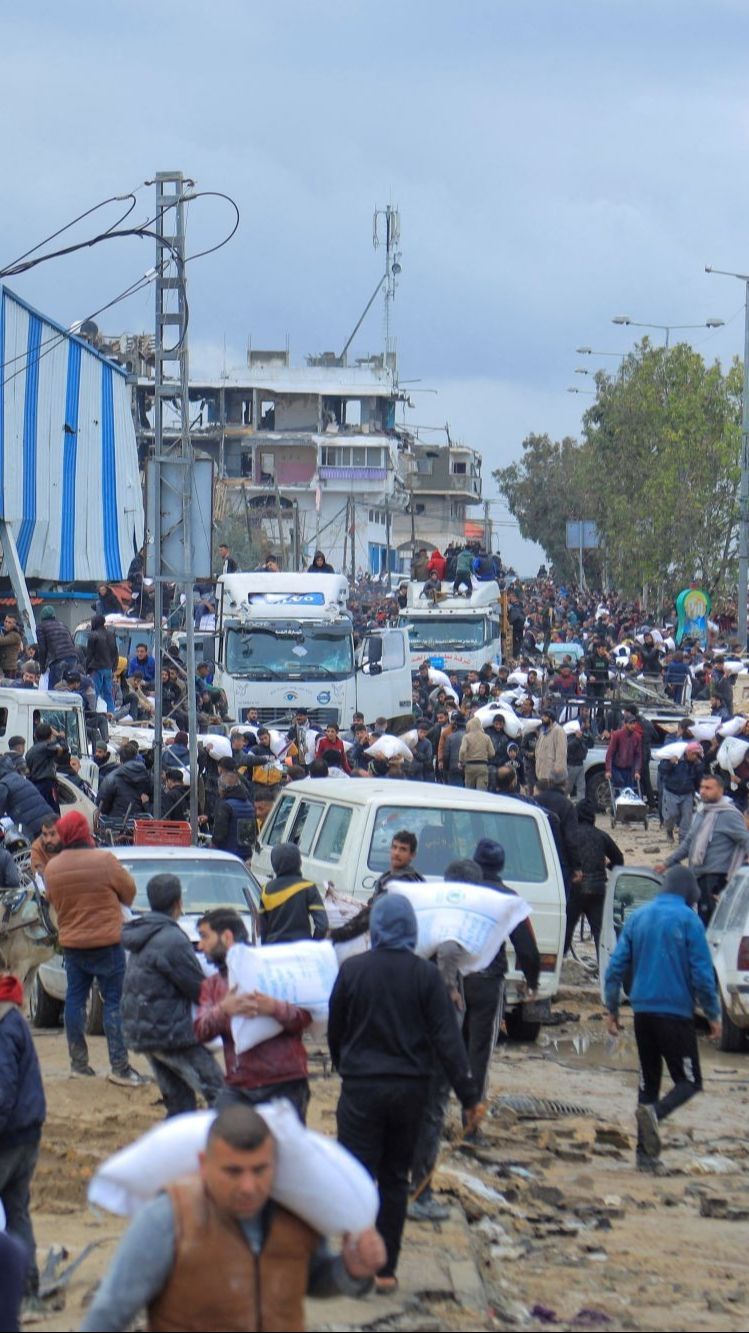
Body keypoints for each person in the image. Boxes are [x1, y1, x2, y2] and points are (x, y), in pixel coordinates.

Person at [80, 1103, 385, 1333]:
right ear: (204, 1164)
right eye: (233, 1171)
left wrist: (350, 1269)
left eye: (260, 1170)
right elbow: (110, 1313)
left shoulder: (296, 1217)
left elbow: (309, 1280)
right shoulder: (169, 1218)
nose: (249, 1187)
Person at [328, 894, 481, 1290]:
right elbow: (449, 1041)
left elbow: (335, 1030)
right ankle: (386, 1270)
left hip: (361, 1088)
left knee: (357, 1179)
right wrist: (469, 1096)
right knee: (395, 1180)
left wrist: (345, 1066)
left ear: (376, 928)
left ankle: (356, 1265)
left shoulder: (353, 971)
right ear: (411, 931)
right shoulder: (425, 976)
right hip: (409, 1091)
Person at [604, 866, 720, 1172]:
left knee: (648, 1082)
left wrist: (612, 1010)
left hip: (642, 1014)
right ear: (689, 894)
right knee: (690, 1081)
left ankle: (645, 1156)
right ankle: (656, 1114)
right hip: (675, 1014)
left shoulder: (638, 917)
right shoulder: (689, 920)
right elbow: (703, 974)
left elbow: (615, 968)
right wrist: (713, 1015)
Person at [44, 811, 145, 1084]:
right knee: (114, 1001)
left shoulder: (52, 868)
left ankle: (78, 1063)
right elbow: (129, 892)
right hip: (107, 943)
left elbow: (52, 900)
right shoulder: (104, 860)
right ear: (85, 831)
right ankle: (120, 1068)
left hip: (73, 945)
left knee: (75, 1000)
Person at [121, 874, 224, 1116]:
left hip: (143, 1028)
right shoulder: (172, 939)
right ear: (179, 903)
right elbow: (197, 988)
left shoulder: (145, 932)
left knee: (180, 1103)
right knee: (219, 1093)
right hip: (169, 1032)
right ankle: (230, 1148)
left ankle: (177, 1149)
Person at [196, 909, 312, 1121]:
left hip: (285, 1081)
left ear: (227, 937)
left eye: (205, 936)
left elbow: (303, 1019)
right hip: (240, 1084)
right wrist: (223, 1009)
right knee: (224, 1145)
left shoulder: (271, 969)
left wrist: (275, 1008)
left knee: (282, 1152)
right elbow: (201, 1030)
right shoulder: (211, 986)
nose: (200, 945)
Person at [467, 842, 540, 1108]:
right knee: (480, 1051)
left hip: (453, 979)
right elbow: (528, 949)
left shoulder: (462, 893)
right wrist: (532, 982)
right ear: (501, 866)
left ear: (475, 862)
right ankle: (471, 1121)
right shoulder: (509, 899)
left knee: (447, 1045)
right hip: (487, 981)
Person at [0, 972, 46, 1308]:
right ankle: (27, 1290)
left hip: (9, 1136)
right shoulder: (13, 1020)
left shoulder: (3, 1030)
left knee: (15, 1212)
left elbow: (1, 1093)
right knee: (17, 1212)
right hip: (26, 1131)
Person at [655, 773, 749, 923]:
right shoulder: (701, 812)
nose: (703, 791)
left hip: (716, 879)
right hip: (697, 876)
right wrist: (666, 863)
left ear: (720, 790)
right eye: (702, 787)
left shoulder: (730, 814)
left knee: (710, 923)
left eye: (708, 788)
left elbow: (745, 840)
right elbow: (688, 843)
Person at [328, 831, 425, 945]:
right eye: (394, 847)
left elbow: (372, 914)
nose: (396, 853)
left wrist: (337, 934)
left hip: (391, 943)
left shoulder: (400, 883)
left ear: (412, 855)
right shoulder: (399, 876)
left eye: (403, 849)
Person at [564, 800, 623, 957]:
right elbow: (619, 860)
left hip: (575, 889)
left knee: (566, 929)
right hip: (597, 889)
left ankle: (559, 967)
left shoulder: (570, 836)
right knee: (600, 933)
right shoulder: (601, 836)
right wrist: (607, 865)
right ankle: (603, 970)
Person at [260, 843, 328, 943]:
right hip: (302, 950)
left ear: (274, 865)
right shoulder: (308, 887)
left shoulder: (265, 890)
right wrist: (313, 945)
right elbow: (323, 925)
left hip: (274, 951)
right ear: (299, 863)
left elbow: (263, 929)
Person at [97, 740, 152, 824]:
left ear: (120, 759)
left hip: (117, 824)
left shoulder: (112, 777)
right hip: (142, 824)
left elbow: (102, 804)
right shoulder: (149, 776)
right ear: (136, 755)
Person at [212, 759, 256, 859]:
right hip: (246, 854)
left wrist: (212, 848)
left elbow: (219, 834)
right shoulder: (249, 805)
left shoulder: (226, 806)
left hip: (228, 854)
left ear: (223, 788)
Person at [660, 742, 703, 844]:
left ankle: (683, 839)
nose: (695, 757)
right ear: (688, 753)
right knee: (672, 815)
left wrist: (699, 768)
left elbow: (699, 780)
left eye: (697, 755)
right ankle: (669, 830)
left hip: (687, 793)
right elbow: (662, 770)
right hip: (671, 791)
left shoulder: (697, 764)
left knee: (686, 817)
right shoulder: (675, 757)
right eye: (694, 754)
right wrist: (670, 763)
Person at [34, 606, 79, 687]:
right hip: (73, 657)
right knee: (68, 686)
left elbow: (42, 648)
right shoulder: (63, 625)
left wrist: (42, 667)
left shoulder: (41, 627)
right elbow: (72, 643)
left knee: (54, 688)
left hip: (58, 660)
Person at [85, 614, 119, 713]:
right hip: (109, 668)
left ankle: (92, 714)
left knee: (94, 693)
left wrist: (86, 669)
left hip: (97, 668)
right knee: (108, 693)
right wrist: (114, 667)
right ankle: (111, 714)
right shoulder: (111, 634)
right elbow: (115, 652)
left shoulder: (93, 635)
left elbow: (89, 654)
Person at [24, 723, 61, 813]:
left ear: (35, 735)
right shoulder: (46, 748)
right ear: (50, 735)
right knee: (53, 812)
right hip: (47, 784)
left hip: (34, 785)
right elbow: (64, 749)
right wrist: (59, 736)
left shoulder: (30, 751)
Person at [605, 714, 642, 792]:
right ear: (625, 724)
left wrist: (637, 771)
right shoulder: (617, 735)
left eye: (634, 723)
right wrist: (608, 770)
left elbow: (638, 755)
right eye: (630, 723)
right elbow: (610, 753)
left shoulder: (637, 737)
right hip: (617, 767)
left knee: (629, 791)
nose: (633, 726)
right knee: (619, 785)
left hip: (629, 769)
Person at [458, 715, 494, 791]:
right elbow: (492, 753)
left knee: (469, 791)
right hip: (482, 766)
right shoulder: (486, 737)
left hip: (469, 766)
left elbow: (462, 750)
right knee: (481, 792)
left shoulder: (466, 737)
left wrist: (461, 761)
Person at [534, 705, 568, 786]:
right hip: (541, 770)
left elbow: (561, 752)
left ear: (551, 719)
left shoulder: (558, 731)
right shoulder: (543, 731)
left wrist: (558, 770)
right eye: (542, 716)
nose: (542, 718)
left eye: (545, 716)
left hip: (552, 772)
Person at [29, 814, 62, 878]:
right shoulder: (37, 847)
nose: (48, 840)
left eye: (53, 834)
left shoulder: (71, 842)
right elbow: (40, 876)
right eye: (45, 834)